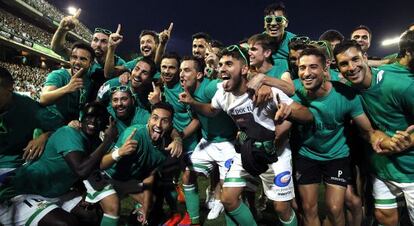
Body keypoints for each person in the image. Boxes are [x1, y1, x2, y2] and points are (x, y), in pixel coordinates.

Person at [180, 45, 314, 226]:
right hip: (247, 151)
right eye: (220, 64)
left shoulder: (267, 92)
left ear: (244, 69)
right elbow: (212, 110)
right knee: (228, 198)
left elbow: (307, 115)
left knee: (281, 208)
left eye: (228, 64)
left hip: (275, 155)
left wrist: (289, 111)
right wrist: (192, 102)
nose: (222, 69)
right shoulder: (222, 93)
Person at [334, 40, 414, 226]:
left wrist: (408, 141)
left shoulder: (399, 85)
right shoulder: (349, 92)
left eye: (355, 59)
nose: (351, 67)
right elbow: (364, 131)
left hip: (411, 169)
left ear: (365, 58)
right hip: (382, 169)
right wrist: (374, 136)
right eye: (344, 64)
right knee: (384, 217)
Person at [0, 102, 119, 226]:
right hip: (26, 192)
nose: (93, 121)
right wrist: (108, 141)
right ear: (81, 118)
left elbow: (86, 169)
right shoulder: (70, 133)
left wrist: (84, 189)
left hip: (57, 191)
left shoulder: (94, 143)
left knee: (92, 216)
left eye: (99, 118)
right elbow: (81, 170)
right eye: (89, 116)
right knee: (65, 223)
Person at [178, 56, 238, 225]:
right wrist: (179, 137)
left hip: (228, 143)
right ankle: (195, 221)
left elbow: (225, 84)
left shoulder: (209, 87)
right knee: (188, 174)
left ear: (198, 75)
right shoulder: (186, 92)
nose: (182, 74)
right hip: (207, 142)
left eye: (187, 70)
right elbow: (197, 119)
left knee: (230, 194)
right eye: (181, 70)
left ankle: (225, 207)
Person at [99, 102, 178, 225]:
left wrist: (145, 208)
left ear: (170, 125)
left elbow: (148, 177)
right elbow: (101, 165)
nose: (158, 124)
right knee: (107, 210)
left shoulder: (164, 150)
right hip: (106, 177)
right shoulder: (135, 134)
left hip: (126, 181)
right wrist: (120, 152)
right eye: (155, 118)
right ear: (149, 119)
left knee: (149, 202)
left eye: (164, 121)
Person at [0, 66, 63, 175]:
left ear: (10, 87)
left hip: (11, 166)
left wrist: (45, 136)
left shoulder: (29, 107)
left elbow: (61, 127)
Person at [40, 42, 95, 123]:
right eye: (74, 57)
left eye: (83, 59)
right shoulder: (58, 75)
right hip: (51, 123)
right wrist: (68, 88)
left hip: (71, 125)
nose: (77, 62)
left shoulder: (89, 82)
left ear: (91, 63)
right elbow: (43, 99)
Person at [263, 2, 296, 78]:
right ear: (264, 23)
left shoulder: (294, 41)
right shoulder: (258, 43)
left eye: (278, 19)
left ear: (286, 23)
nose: (273, 23)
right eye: (268, 20)